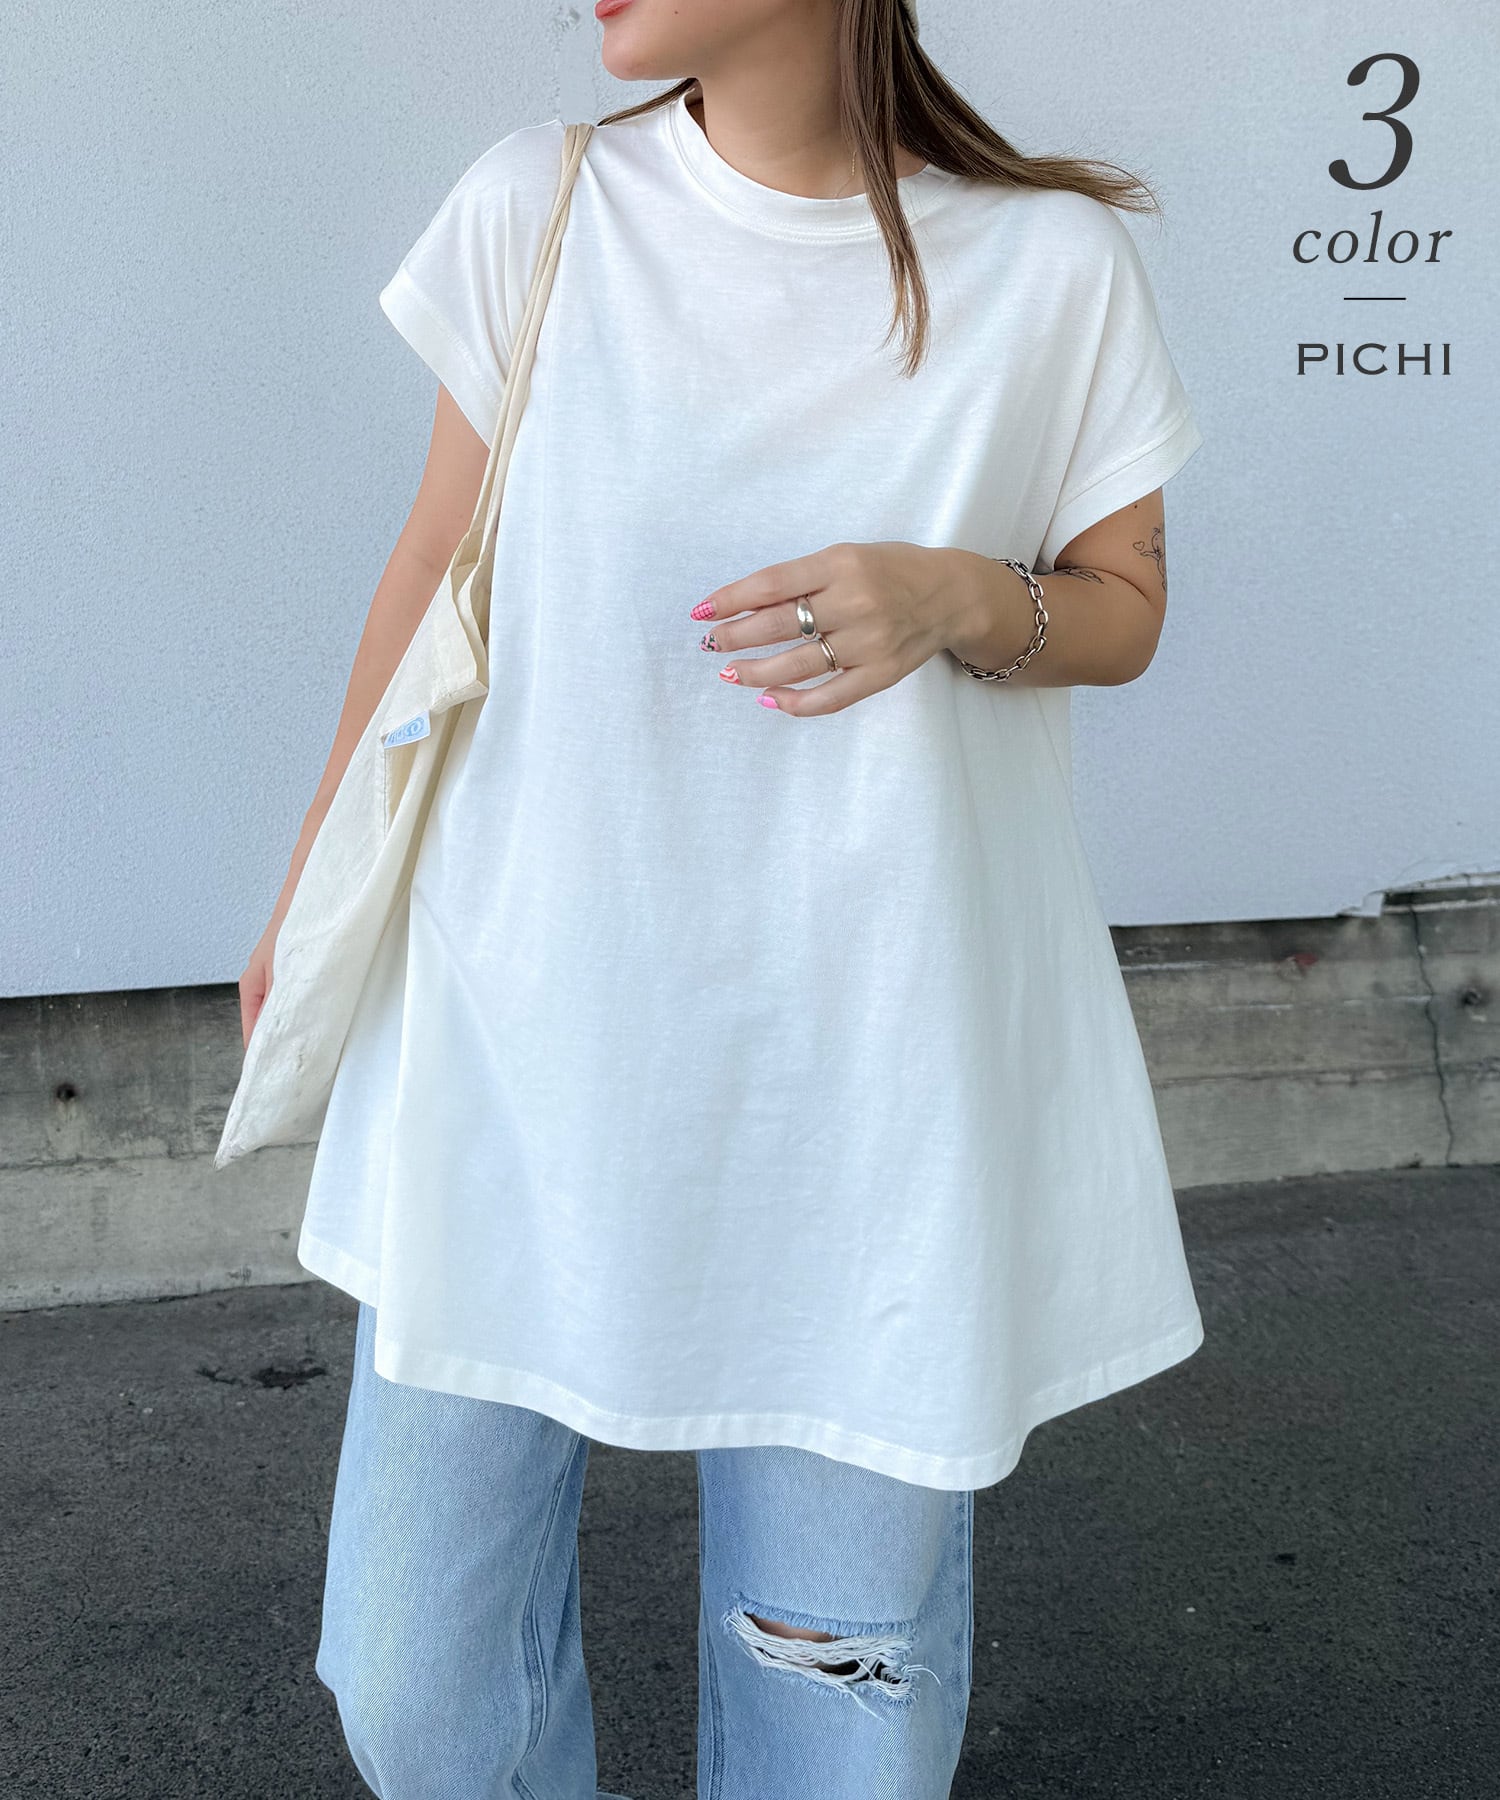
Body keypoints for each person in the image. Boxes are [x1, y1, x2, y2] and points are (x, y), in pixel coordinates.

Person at [237, 1, 1207, 1793]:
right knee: (410, 1678)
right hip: (518, 1042)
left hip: (873, 1079)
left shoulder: (1051, 264)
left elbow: (1125, 604)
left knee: (833, 1715)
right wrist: (316, 874)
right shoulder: (536, 205)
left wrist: (953, 596)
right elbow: (439, 555)